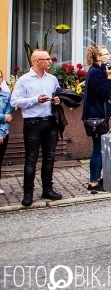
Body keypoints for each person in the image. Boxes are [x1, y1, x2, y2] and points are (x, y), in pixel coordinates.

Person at [10, 49, 63, 206]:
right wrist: (35, 100)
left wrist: (58, 100)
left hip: (51, 121)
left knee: (49, 157)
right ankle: (28, 193)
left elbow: (58, 95)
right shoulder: (24, 80)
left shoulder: (52, 79)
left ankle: (47, 189)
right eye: (47, 59)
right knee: (31, 159)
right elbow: (14, 101)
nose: (50, 61)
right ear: (36, 61)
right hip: (33, 123)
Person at [83, 45, 111, 193]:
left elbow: (104, 93)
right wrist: (109, 78)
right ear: (98, 57)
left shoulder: (97, 71)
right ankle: (93, 182)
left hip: (99, 115)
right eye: (106, 54)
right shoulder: (95, 72)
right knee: (98, 149)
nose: (109, 56)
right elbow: (103, 93)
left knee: (100, 148)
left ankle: (96, 179)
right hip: (96, 117)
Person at [0, 70, 13, 195]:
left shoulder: (6, 95)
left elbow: (9, 116)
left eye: (0, 77)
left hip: (2, 133)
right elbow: (5, 117)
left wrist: (1, 133)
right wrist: (3, 117)